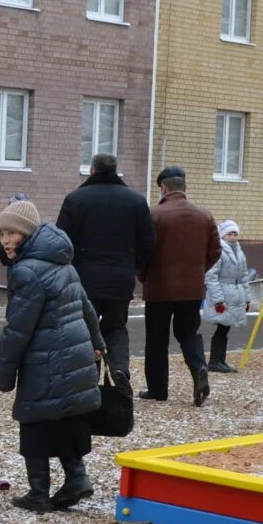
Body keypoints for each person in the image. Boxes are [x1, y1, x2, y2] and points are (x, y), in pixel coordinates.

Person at [0, 200, 105, 513]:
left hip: (46, 358)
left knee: (33, 420)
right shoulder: (62, 262)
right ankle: (77, 479)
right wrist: (97, 342)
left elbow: (18, 330)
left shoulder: (27, 271)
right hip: (74, 353)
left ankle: (38, 493)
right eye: (1, 234)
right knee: (66, 417)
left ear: (26, 233)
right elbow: (86, 307)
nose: (4, 240)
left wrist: (5, 376)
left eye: (11, 233)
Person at [55, 153, 154, 390]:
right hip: (120, 279)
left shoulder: (76, 199)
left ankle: (89, 379)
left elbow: (62, 241)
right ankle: (119, 369)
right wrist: (134, 266)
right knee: (116, 327)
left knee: (86, 329)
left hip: (84, 279)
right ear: (115, 170)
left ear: (92, 171)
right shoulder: (136, 201)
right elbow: (148, 242)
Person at [140, 167, 220, 406]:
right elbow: (215, 251)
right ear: (184, 188)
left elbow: (144, 251)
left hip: (159, 288)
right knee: (188, 333)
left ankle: (157, 389)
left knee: (156, 338)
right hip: (191, 289)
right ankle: (199, 369)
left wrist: (144, 275)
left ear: (163, 188)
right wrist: (197, 272)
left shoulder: (153, 214)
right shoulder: (204, 216)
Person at [204, 220, 255, 373]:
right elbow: (211, 276)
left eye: (234, 234)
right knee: (222, 328)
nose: (232, 237)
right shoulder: (218, 251)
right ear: (222, 235)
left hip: (235, 294)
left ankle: (220, 360)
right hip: (224, 294)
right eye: (229, 234)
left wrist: (246, 298)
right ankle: (214, 361)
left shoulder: (238, 251)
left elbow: (244, 276)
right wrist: (218, 300)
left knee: (225, 328)